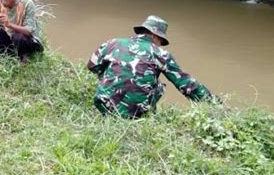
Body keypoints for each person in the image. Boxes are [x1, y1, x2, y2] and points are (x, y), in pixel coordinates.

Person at [88, 15, 219, 118]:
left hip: (103, 104)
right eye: (161, 41)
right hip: (136, 113)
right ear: (154, 36)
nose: (160, 44)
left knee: (111, 71)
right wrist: (213, 103)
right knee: (160, 86)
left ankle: (110, 105)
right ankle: (141, 114)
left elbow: (92, 65)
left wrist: (109, 75)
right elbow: (185, 83)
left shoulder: (113, 43)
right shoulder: (161, 54)